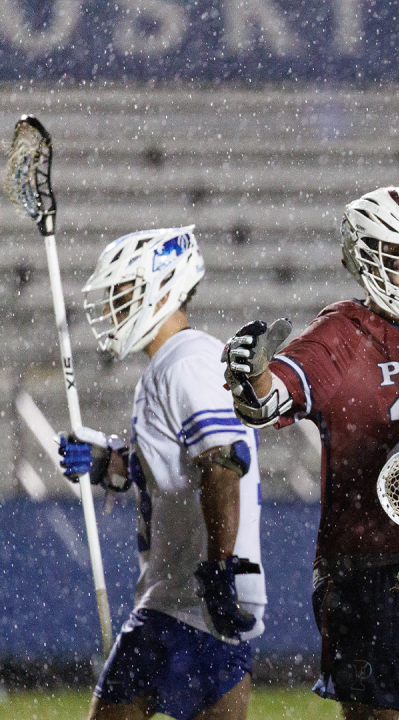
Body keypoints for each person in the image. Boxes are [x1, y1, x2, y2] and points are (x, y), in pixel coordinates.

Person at [222, 187, 399, 720]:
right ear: (366, 256)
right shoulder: (341, 333)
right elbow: (272, 398)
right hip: (368, 562)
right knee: (371, 715)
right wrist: (252, 376)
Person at [59, 226, 265, 720]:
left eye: (123, 292)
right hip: (178, 595)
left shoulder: (188, 363)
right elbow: (178, 469)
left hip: (190, 598)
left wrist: (218, 569)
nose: (113, 307)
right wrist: (110, 462)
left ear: (163, 287)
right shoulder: (175, 363)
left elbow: (222, 465)